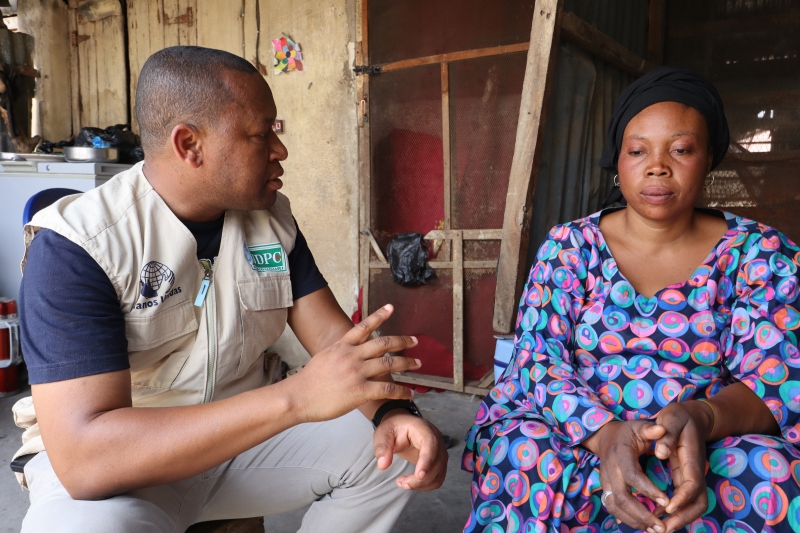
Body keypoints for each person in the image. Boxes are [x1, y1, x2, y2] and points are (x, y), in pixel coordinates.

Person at [13, 46, 447, 532]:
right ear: (189, 145)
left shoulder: (270, 220)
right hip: (129, 465)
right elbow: (86, 459)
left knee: (395, 450)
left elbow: (332, 341)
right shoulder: (79, 245)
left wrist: (392, 409)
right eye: (263, 135)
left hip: (242, 446)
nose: (280, 151)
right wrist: (297, 397)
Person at [462, 66, 800, 533]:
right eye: (638, 150)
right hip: (578, 431)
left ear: (709, 158)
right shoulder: (570, 246)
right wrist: (605, 435)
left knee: (773, 472)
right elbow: (538, 360)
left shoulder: (760, 253)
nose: (657, 165)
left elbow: (775, 377)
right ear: (618, 162)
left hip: (702, 440)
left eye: (680, 149)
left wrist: (701, 417)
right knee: (521, 450)